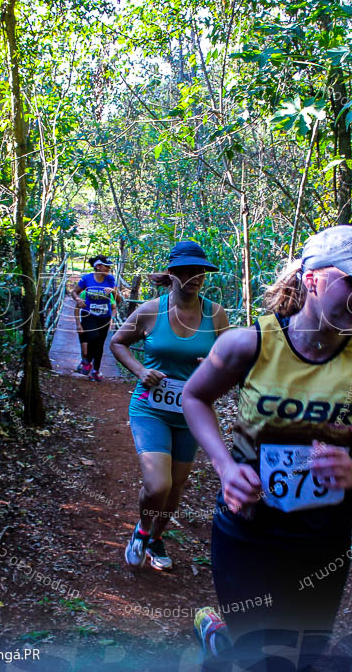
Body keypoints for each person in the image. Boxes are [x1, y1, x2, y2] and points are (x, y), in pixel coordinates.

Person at [182, 225, 352, 669]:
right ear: (312, 279)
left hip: (323, 539)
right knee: (260, 657)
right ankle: (224, 638)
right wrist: (226, 468)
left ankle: (218, 639)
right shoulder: (251, 343)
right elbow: (194, 397)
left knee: (303, 657)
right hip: (247, 530)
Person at [110, 241, 229, 571]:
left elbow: (230, 356)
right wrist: (140, 370)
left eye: (200, 272)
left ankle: (156, 537)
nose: (195, 277)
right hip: (151, 407)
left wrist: (215, 363)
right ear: (172, 274)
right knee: (158, 484)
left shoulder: (216, 314)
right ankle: (143, 530)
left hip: (192, 412)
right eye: (187, 271)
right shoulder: (151, 310)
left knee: (176, 488)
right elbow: (118, 342)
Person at [72, 255, 119, 382]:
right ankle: (86, 361)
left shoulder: (110, 279)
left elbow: (117, 300)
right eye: (106, 266)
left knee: (100, 345)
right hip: (89, 315)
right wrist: (78, 299)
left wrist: (113, 292)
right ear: (98, 266)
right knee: (93, 337)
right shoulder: (87, 279)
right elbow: (74, 292)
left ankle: (95, 371)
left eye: (109, 266)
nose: (109, 268)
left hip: (104, 316)